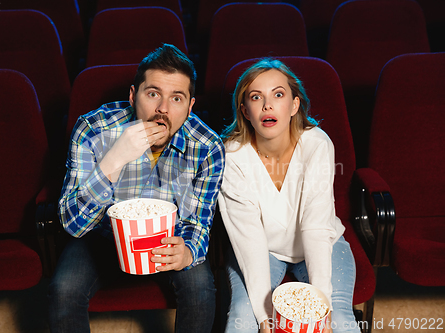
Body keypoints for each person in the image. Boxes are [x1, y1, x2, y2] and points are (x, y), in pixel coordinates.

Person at [48, 44, 225, 333]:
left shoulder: (207, 147)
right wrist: (115, 158)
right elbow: (73, 224)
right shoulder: (92, 129)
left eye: (177, 98)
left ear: (191, 106)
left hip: (169, 236)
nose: (163, 109)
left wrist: (189, 252)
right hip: (101, 234)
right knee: (63, 290)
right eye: (153, 93)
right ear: (133, 96)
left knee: (201, 289)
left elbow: (198, 222)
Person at [217, 58, 360, 333]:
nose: (267, 105)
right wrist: (263, 317)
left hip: (321, 246)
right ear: (245, 110)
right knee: (240, 319)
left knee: (339, 320)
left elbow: (316, 228)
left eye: (278, 95)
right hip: (262, 250)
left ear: (294, 105)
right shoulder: (232, 156)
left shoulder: (317, 144)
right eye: (256, 97)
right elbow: (250, 240)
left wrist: (321, 312)